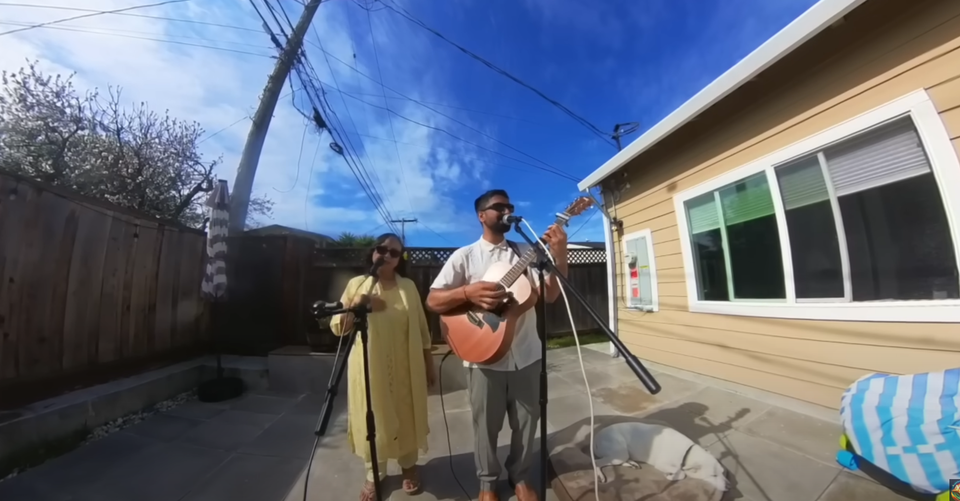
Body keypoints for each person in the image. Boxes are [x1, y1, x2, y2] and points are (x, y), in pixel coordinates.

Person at [426, 189, 568, 501]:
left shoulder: (524, 251)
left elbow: (550, 295)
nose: (507, 210)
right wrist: (467, 294)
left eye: (510, 206)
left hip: (527, 355)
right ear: (482, 215)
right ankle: (487, 484)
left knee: (527, 424)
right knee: (485, 429)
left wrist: (560, 254)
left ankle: (519, 477)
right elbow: (433, 299)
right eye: (499, 206)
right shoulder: (464, 257)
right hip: (481, 358)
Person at [330, 233, 436, 501]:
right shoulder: (358, 284)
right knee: (372, 417)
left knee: (406, 415)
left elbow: (423, 331)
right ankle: (373, 473)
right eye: (382, 249)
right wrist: (356, 305)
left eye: (394, 253)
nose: (386, 255)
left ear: (400, 260)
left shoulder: (408, 287)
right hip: (369, 368)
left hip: (405, 366)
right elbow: (338, 328)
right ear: (373, 252)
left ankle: (409, 467)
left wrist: (428, 364)